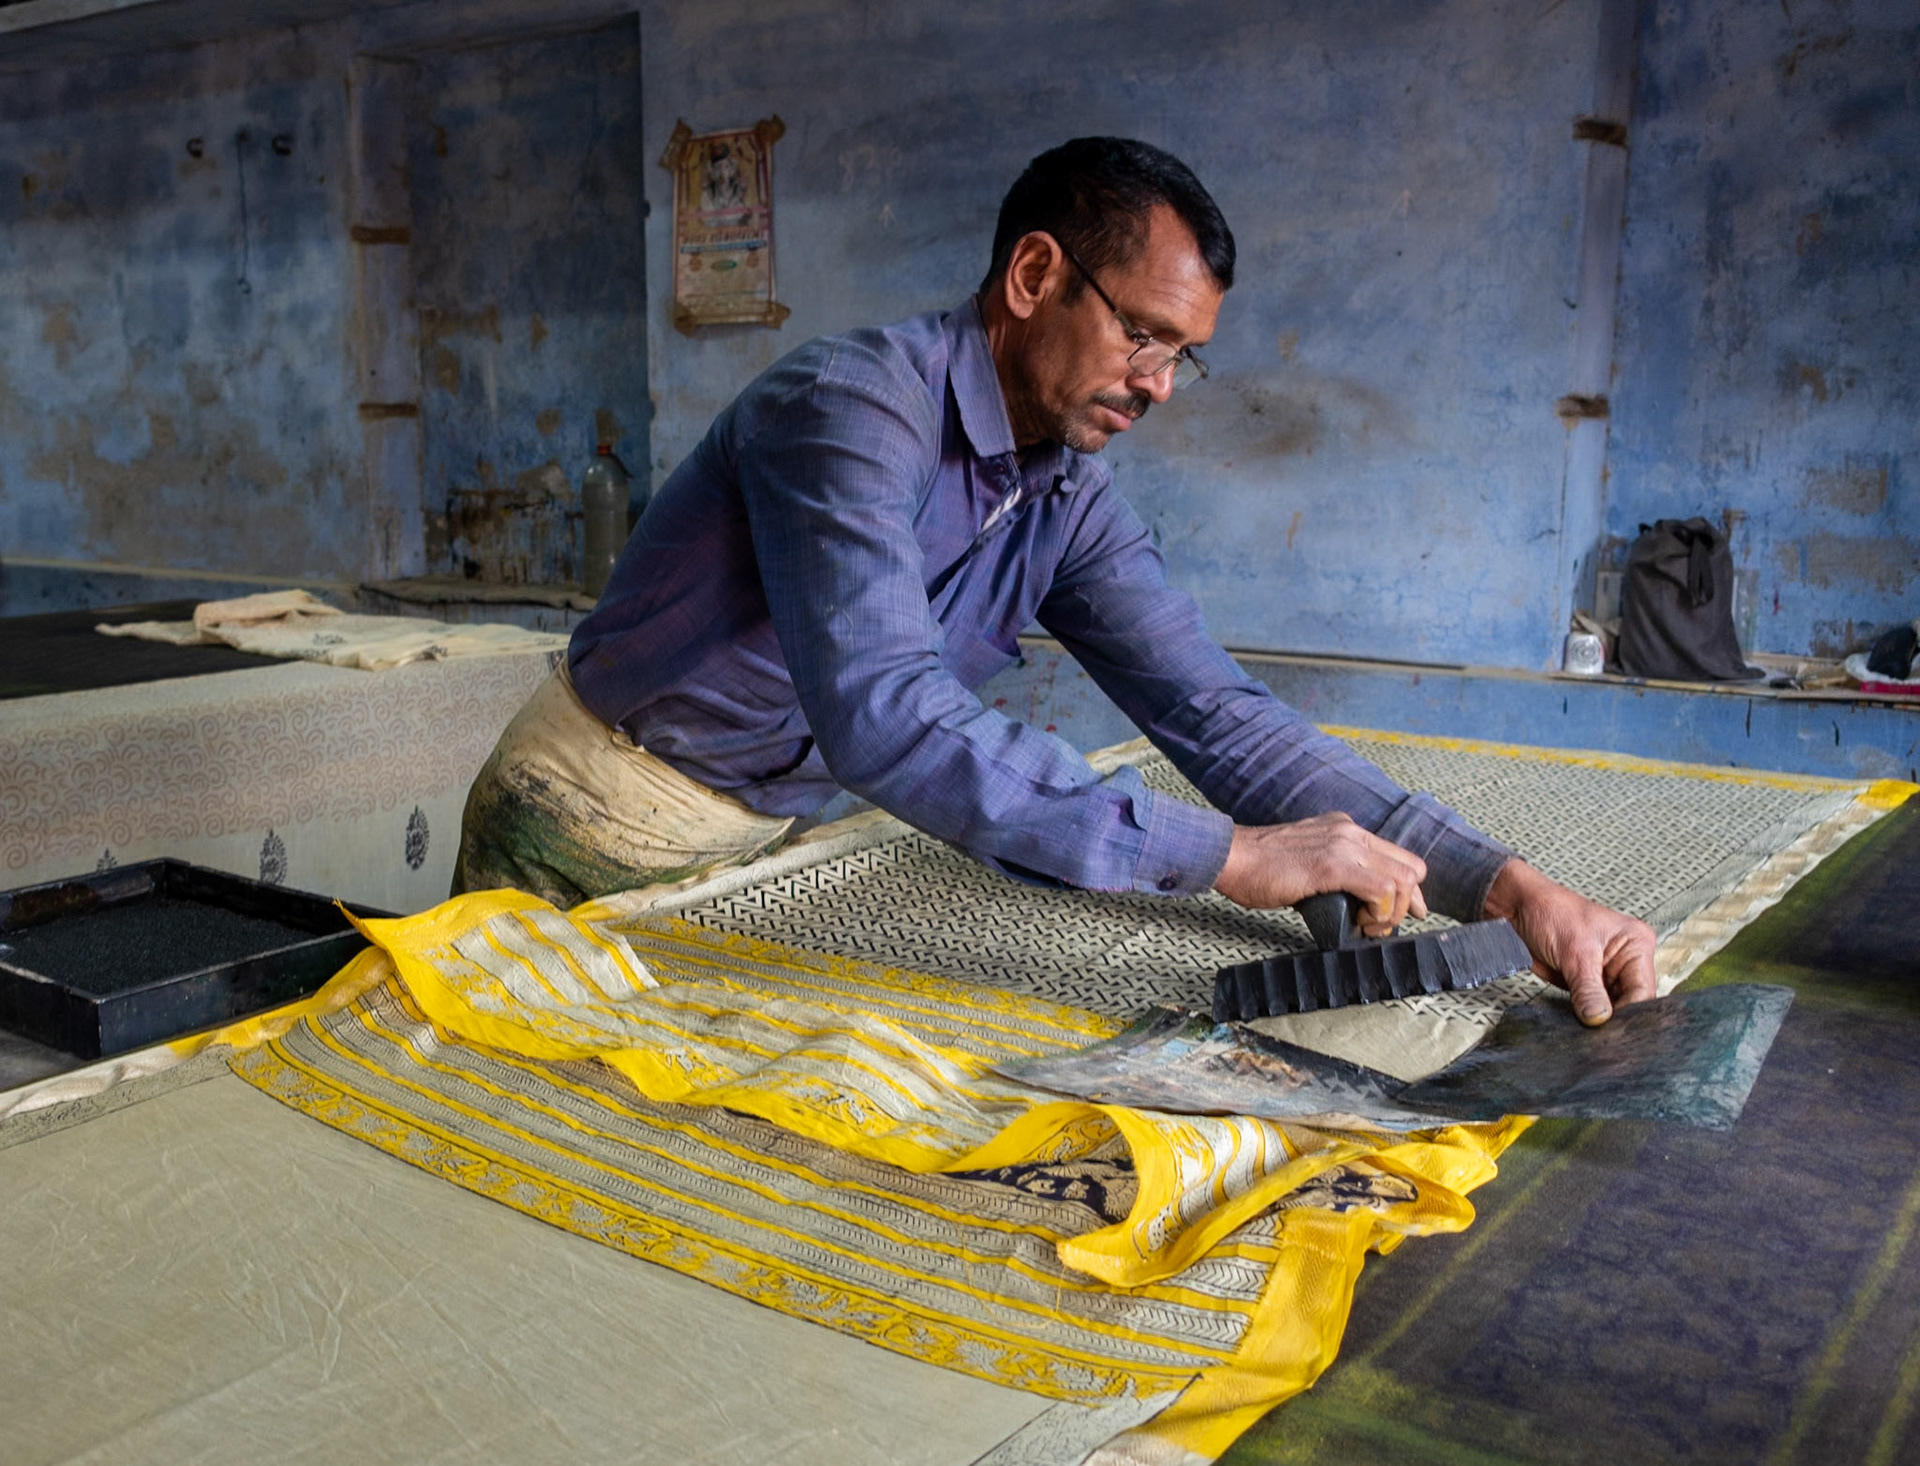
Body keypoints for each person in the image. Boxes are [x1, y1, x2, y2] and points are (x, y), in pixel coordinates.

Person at [453, 136, 1656, 1026]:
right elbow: (883, 714)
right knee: (496, 1133)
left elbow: (1214, 712)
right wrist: (1233, 855)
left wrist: (1507, 886)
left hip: (770, 848)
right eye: (1145, 336)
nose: (1160, 387)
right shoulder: (853, 410)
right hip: (586, 822)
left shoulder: (1063, 495)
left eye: (1186, 359)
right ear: (1034, 276)